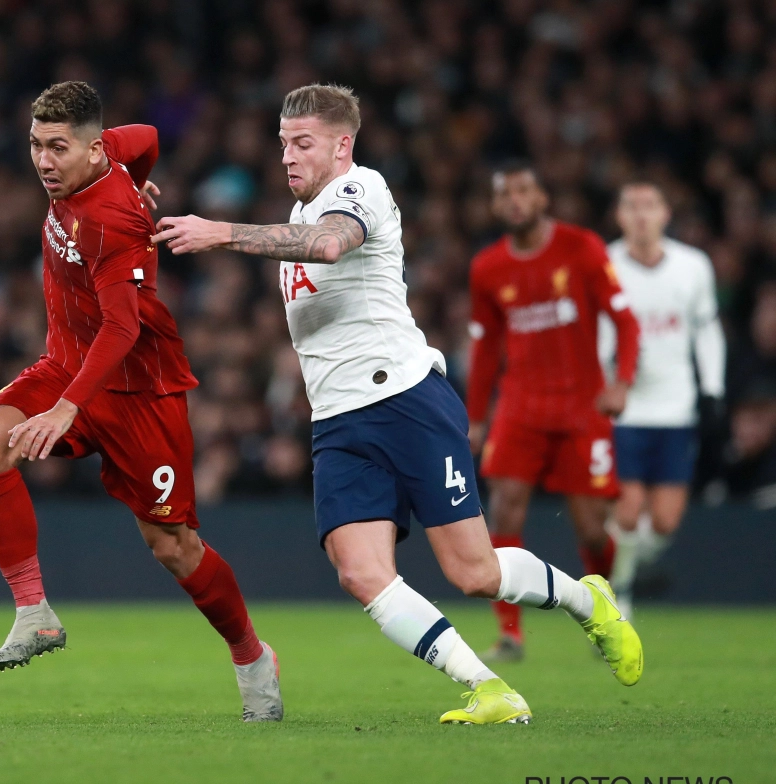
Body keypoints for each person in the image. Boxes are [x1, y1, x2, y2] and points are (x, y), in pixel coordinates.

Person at [152, 83, 642, 725]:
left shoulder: (363, 190)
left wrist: (222, 233)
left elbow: (331, 245)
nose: (289, 158)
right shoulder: (295, 218)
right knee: (358, 572)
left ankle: (589, 603)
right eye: (283, 146)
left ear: (342, 145)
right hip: (337, 421)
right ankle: (488, 687)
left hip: (404, 401)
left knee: (473, 571)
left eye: (303, 144)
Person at [0, 81, 282, 722]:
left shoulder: (108, 220)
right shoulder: (107, 150)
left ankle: (251, 656)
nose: (44, 162)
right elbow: (151, 139)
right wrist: (138, 174)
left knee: (173, 548)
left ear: (86, 150)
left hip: (139, 391)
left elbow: (123, 329)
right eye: (36, 146)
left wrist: (65, 408)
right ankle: (35, 613)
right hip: (68, 362)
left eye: (57, 148)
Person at [466, 162, 642, 663]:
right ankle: (509, 634)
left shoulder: (581, 248)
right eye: (505, 193)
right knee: (504, 507)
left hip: (580, 406)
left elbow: (626, 322)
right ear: (496, 206)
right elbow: (484, 349)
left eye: (524, 190)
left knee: (590, 528)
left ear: (542, 197)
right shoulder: (487, 268)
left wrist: (622, 381)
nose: (515, 201)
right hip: (520, 406)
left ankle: (605, 611)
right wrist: (475, 418)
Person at [599, 182, 725, 619]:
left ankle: (626, 571)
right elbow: (595, 332)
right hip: (625, 407)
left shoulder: (692, 267)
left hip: (676, 405)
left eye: (649, 206)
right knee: (629, 510)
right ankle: (622, 600)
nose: (640, 215)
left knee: (666, 521)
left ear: (665, 214)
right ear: (619, 216)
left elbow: (707, 330)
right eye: (631, 206)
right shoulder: (606, 264)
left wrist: (712, 389)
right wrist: (601, 381)